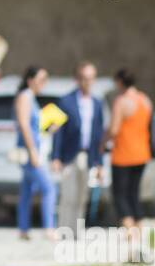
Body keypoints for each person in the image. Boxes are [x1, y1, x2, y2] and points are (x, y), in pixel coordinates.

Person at [50, 61, 105, 235]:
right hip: (69, 155)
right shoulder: (65, 101)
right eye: (83, 78)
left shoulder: (96, 104)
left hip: (87, 156)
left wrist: (99, 162)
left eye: (90, 78)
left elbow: (99, 135)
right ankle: (64, 231)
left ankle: (76, 232)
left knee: (82, 196)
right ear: (77, 79)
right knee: (68, 195)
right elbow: (58, 132)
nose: (87, 82)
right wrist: (55, 157)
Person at [107, 68, 152, 259]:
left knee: (120, 195)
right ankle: (140, 233)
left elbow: (114, 129)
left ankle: (131, 235)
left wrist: (102, 141)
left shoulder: (121, 102)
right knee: (134, 193)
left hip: (123, 154)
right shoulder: (145, 100)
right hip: (142, 153)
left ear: (119, 82)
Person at [14, 66, 58, 241]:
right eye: (41, 80)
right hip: (29, 151)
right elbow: (24, 125)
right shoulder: (24, 97)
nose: (43, 84)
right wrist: (32, 151)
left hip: (36, 148)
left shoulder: (31, 98)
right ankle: (49, 228)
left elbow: (34, 127)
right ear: (30, 80)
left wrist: (48, 130)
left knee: (27, 190)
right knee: (49, 188)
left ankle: (23, 229)